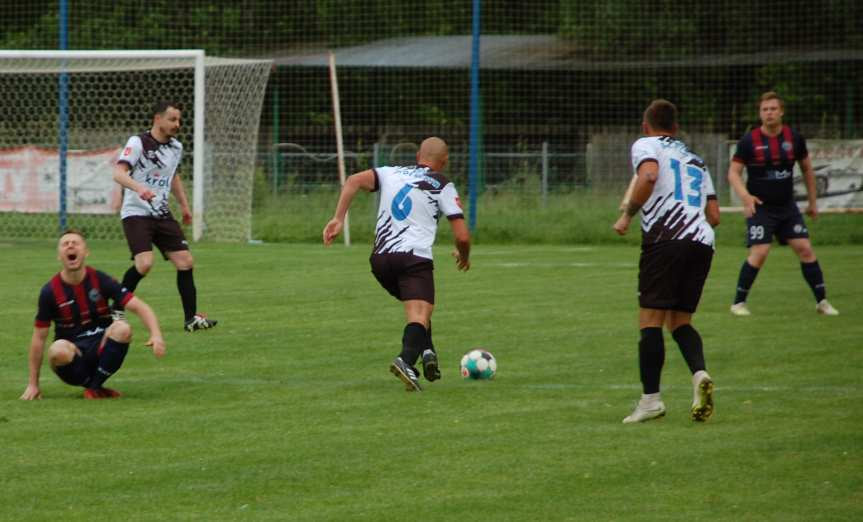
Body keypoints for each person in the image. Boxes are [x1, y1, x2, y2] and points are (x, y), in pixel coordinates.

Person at [323, 137, 471, 392]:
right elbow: (462, 236)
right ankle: (406, 360)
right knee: (419, 313)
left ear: (418, 157)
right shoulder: (442, 184)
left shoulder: (390, 172)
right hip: (413, 258)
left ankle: (427, 352)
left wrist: (338, 218)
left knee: (419, 307)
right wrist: (464, 255)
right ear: (444, 162)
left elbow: (353, 181)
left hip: (380, 260)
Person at [613, 99, 720, 423]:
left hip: (666, 239)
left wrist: (628, 214)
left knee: (650, 320)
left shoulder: (646, 144)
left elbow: (647, 176)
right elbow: (714, 214)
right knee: (680, 321)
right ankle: (699, 374)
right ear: (675, 127)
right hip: (702, 241)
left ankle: (651, 401)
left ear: (646, 126)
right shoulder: (696, 160)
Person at [727, 91, 839, 317]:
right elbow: (733, 173)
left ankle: (822, 302)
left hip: (787, 207)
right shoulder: (749, 141)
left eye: (772, 109)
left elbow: (807, 169)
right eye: (764, 110)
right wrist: (746, 197)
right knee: (760, 252)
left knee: (805, 249)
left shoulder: (794, 139)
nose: (768, 113)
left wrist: (813, 202)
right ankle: (738, 303)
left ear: (781, 112)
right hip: (761, 208)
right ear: (760, 113)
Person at [20, 229, 166, 400]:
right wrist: (33, 384)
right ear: (59, 256)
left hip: (100, 350)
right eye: (65, 244)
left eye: (76, 243)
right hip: (73, 357)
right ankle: (95, 386)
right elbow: (38, 338)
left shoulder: (100, 280)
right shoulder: (50, 291)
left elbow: (140, 307)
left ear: (86, 252)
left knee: (122, 328)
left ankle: (94, 387)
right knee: (57, 349)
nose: (70, 246)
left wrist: (156, 335)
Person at [111, 100, 218, 331]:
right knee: (145, 263)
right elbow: (118, 173)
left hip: (161, 213)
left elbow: (173, 176)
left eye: (179, 120)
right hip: (136, 212)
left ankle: (191, 320)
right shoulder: (138, 142)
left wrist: (185, 206)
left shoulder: (176, 147)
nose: (177, 124)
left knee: (185, 262)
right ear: (157, 119)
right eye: (172, 119)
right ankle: (116, 308)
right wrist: (139, 188)